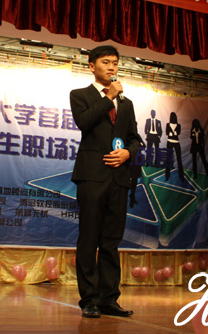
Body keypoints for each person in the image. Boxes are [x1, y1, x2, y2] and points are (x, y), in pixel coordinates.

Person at [70, 45, 141, 318]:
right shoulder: (80, 95)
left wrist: (128, 153)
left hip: (118, 178)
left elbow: (134, 138)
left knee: (111, 241)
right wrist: (109, 97)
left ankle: (109, 299)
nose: (112, 67)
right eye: (105, 62)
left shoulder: (126, 103)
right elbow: (84, 122)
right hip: (91, 176)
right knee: (89, 239)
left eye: (115, 63)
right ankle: (89, 299)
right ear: (92, 66)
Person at [165, 112, 185, 181]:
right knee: (168, 159)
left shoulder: (178, 125)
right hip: (170, 141)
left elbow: (178, 133)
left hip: (176, 142)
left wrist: (173, 133)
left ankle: (181, 175)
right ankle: (167, 175)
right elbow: (167, 132)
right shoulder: (168, 124)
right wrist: (172, 133)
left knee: (179, 159)